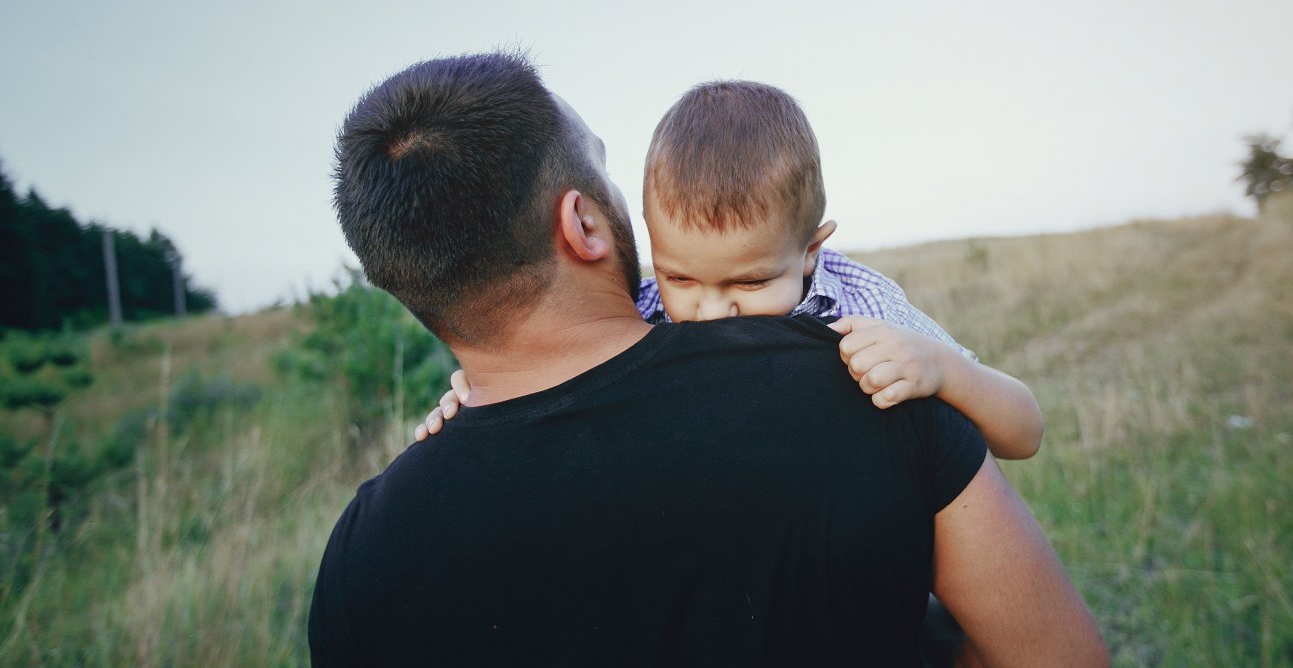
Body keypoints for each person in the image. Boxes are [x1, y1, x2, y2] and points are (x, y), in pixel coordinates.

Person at [308, 52, 1109, 668]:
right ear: (583, 221)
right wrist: (902, 603)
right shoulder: (862, 383)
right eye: (605, 172)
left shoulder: (363, 557)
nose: (714, 304)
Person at [422, 81, 1043, 465]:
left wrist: (943, 369)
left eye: (749, 283)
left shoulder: (860, 304)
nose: (712, 312)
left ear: (809, 253)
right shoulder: (641, 311)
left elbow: (1023, 432)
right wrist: (468, 401)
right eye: (681, 279)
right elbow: (555, 383)